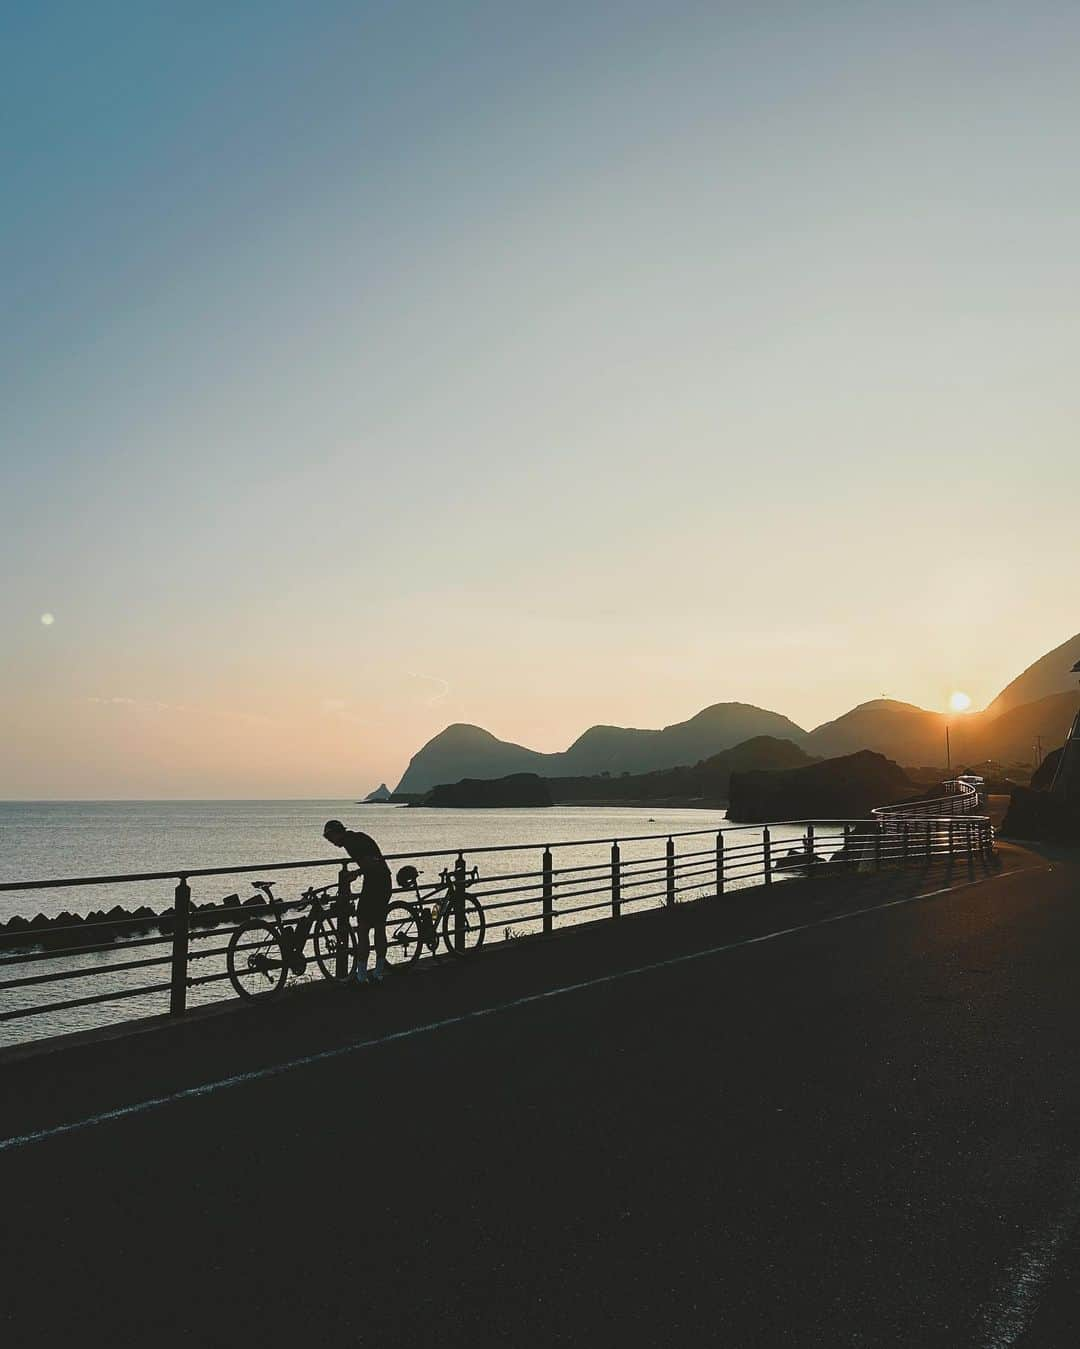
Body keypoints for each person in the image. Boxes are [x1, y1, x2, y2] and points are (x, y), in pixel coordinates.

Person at [322, 819, 392, 984]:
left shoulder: (351, 843)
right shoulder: (357, 837)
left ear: (336, 833)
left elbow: (370, 862)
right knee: (379, 928)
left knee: (363, 929)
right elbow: (376, 860)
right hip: (384, 881)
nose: (331, 842)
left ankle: (361, 976)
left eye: (330, 838)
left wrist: (356, 873)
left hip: (373, 885)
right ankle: (378, 972)